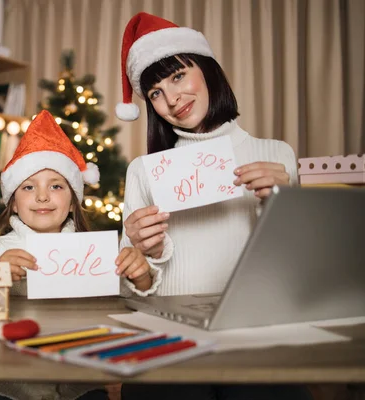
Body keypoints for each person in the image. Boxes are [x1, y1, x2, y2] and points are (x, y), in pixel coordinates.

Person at [115, 12, 309, 400]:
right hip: (169, 338)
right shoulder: (144, 171)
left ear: (206, 70)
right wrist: (143, 255)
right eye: (155, 92)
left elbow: (304, 275)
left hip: (256, 332)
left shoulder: (277, 155)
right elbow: (133, 292)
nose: (171, 99)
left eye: (177, 76)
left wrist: (286, 209)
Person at [0, 110, 162, 400]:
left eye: (56, 186)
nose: (42, 196)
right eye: (29, 187)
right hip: (9, 384)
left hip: (80, 384)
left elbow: (135, 302)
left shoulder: (94, 255)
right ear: (14, 204)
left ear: (72, 202)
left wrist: (142, 275)